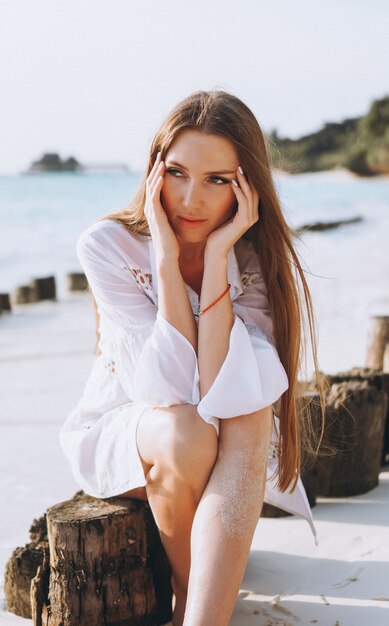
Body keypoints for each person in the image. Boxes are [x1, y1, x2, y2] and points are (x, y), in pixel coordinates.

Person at [60, 90, 323, 626]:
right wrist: (164, 258)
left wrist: (220, 257)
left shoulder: (255, 260)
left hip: (221, 448)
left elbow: (226, 389)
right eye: (177, 173)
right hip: (131, 431)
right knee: (186, 432)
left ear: (246, 185)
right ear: (156, 170)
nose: (190, 199)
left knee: (246, 414)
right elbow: (169, 389)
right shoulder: (107, 246)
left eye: (216, 180)